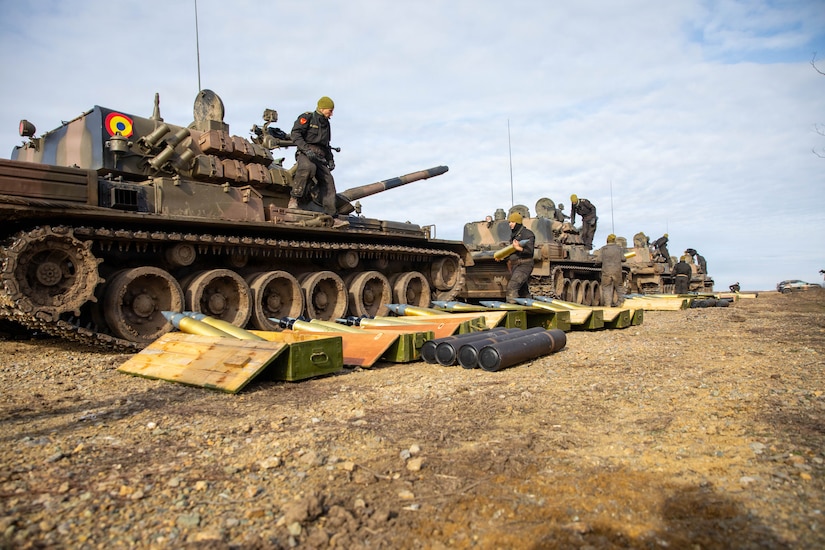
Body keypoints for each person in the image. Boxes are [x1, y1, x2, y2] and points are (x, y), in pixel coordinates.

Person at [288, 96, 337, 215]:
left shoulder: (326, 124)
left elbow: (326, 144)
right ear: (322, 108)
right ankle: (294, 199)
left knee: (328, 180)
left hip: (320, 155)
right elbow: (295, 134)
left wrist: (330, 159)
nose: (331, 114)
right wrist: (306, 149)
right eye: (330, 110)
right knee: (308, 168)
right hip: (306, 152)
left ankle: (330, 213)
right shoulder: (308, 117)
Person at [497, 212, 536, 303]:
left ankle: (513, 311)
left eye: (512, 222)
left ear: (518, 222)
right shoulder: (513, 235)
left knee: (512, 287)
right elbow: (512, 252)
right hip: (515, 266)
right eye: (509, 222)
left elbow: (530, 251)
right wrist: (502, 257)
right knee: (523, 292)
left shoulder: (528, 234)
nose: (510, 224)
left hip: (525, 264)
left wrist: (518, 248)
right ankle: (530, 309)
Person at [598, 234, 626, 306]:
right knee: (619, 286)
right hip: (617, 271)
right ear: (614, 240)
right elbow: (623, 259)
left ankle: (608, 304)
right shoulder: (619, 248)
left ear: (607, 240)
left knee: (606, 287)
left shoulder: (603, 249)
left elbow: (599, 260)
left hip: (606, 271)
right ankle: (621, 303)